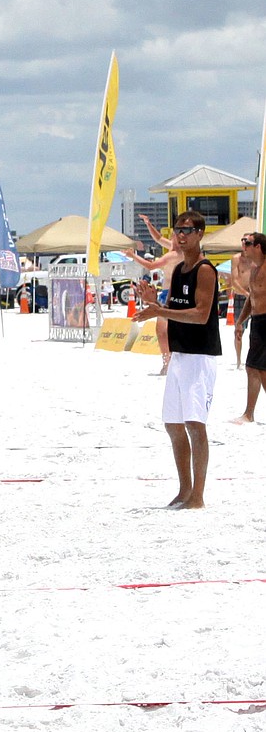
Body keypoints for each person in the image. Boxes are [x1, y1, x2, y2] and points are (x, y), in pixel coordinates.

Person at [131, 211, 221, 509]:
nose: (181, 235)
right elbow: (173, 309)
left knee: (196, 424)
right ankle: (184, 490)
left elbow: (200, 314)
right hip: (181, 354)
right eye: (177, 230)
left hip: (200, 355)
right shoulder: (180, 268)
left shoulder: (205, 269)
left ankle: (198, 495)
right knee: (173, 424)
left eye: (188, 230)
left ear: (200, 234)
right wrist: (153, 304)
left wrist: (160, 311)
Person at [125, 237, 184, 375]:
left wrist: (133, 256)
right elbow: (158, 238)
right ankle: (167, 360)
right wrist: (148, 224)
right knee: (162, 331)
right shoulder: (174, 249)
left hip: (172, 293)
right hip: (166, 292)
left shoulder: (174, 254)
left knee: (164, 331)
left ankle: (168, 361)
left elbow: (151, 266)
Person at [231, 232, 266, 424]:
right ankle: (249, 414)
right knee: (254, 367)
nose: (244, 245)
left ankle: (248, 414)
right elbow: (251, 299)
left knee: (256, 367)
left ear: (258, 246)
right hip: (257, 321)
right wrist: (240, 322)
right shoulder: (254, 269)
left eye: (248, 242)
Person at [230, 232, 260, 370]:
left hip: (255, 296)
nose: (244, 244)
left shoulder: (257, 260)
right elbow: (234, 281)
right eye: (243, 241)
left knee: (256, 330)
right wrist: (247, 293)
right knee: (239, 329)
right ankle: (238, 360)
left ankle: (253, 358)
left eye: (247, 242)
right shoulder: (236, 258)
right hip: (242, 296)